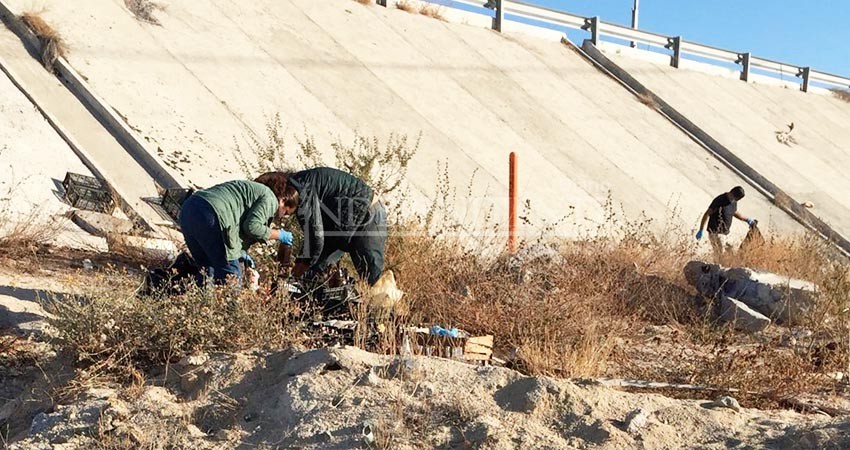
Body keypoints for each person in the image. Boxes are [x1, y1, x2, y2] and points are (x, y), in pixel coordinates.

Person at [255, 168, 387, 285]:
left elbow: (315, 237)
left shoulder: (301, 188)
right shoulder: (300, 186)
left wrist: (300, 268)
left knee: (375, 282)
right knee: (311, 277)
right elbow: (314, 236)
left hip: (367, 216)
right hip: (346, 225)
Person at [178, 179, 295, 285]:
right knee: (232, 275)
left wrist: (240, 253)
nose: (283, 216)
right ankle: (229, 308)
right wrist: (280, 234)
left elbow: (237, 225)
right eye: (286, 212)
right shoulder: (270, 199)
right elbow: (252, 227)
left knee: (207, 270)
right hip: (212, 214)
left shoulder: (255, 190)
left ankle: (203, 305)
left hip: (189, 209)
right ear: (283, 200)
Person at [695, 186, 756, 260]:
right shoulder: (719, 200)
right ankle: (716, 269)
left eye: (736, 199)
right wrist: (701, 229)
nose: (734, 200)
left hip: (725, 233)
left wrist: (747, 219)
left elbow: (734, 212)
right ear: (731, 193)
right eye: (734, 198)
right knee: (720, 254)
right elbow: (707, 214)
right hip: (715, 232)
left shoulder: (733, 202)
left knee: (732, 251)